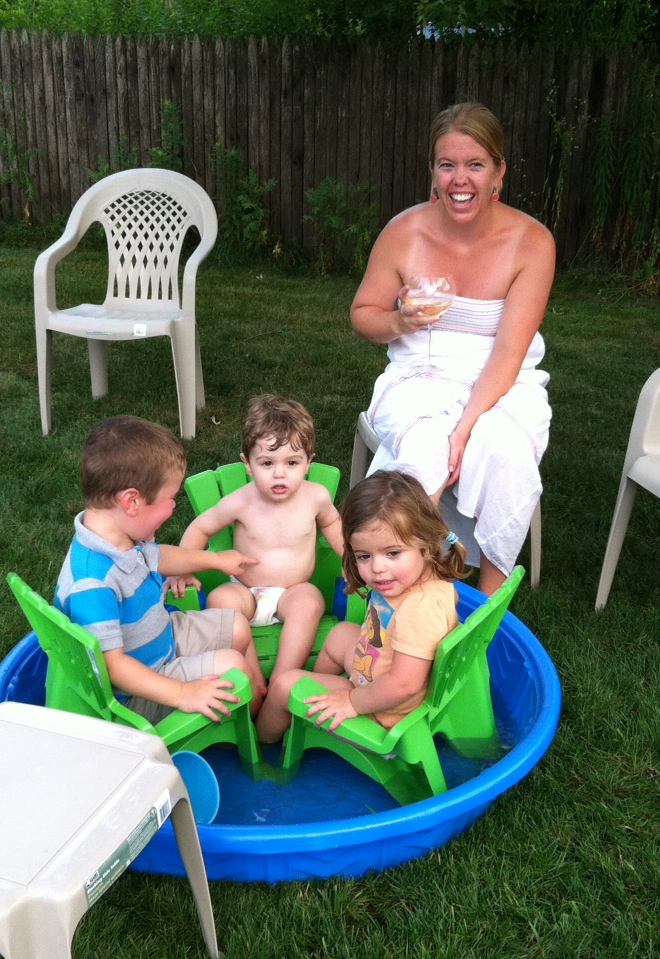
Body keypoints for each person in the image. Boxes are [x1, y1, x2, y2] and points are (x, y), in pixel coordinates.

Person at [350, 102, 555, 595]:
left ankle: (486, 606)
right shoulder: (404, 232)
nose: (459, 179)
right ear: (433, 171)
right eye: (447, 165)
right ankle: (402, 589)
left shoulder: (532, 242)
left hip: (503, 379)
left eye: (475, 164)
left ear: (499, 172)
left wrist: (464, 429)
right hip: (419, 373)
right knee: (427, 445)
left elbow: (509, 354)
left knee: (504, 451)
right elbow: (363, 314)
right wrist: (399, 320)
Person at [54, 414, 267, 724]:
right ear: (132, 501)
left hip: (160, 640)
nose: (174, 506)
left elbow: (159, 557)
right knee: (233, 668)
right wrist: (183, 693)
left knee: (237, 625)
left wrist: (216, 560)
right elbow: (113, 667)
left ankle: (257, 699)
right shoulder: (92, 583)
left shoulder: (120, 536)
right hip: (138, 694)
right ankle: (259, 729)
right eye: (170, 498)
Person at [256, 470, 469, 744]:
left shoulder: (421, 607)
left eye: (393, 553)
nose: (377, 568)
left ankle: (264, 745)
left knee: (284, 686)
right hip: (374, 672)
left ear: (425, 546)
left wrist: (352, 702)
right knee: (340, 634)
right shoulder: (420, 577)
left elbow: (404, 684)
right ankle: (308, 708)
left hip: (381, 713)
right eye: (364, 556)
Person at [176, 395, 344, 681]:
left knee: (310, 602)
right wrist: (184, 568)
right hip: (245, 591)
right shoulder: (241, 501)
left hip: (293, 592)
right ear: (247, 464)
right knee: (219, 599)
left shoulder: (316, 497)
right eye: (267, 463)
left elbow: (333, 524)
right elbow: (201, 528)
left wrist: (351, 561)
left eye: (292, 463)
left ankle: (283, 677)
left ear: (308, 463)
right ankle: (252, 678)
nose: (279, 474)